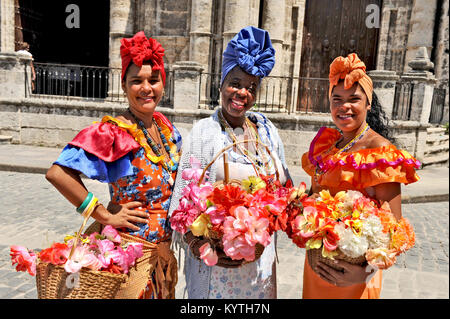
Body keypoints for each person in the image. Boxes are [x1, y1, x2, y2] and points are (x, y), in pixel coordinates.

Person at [45, 31, 181, 299]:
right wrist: (105, 216)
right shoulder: (114, 132)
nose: (146, 88)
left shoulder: (166, 128)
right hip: (130, 258)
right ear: (123, 86)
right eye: (136, 81)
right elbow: (57, 173)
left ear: (163, 83)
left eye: (153, 80)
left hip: (161, 259)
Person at [168, 26, 292, 299]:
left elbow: (284, 187)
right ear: (221, 84)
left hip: (258, 266)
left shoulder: (267, 130)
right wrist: (204, 248)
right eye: (235, 83)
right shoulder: (202, 133)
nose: (242, 93)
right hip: (216, 268)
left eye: (251, 87)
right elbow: (183, 205)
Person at [300, 53, 421, 299]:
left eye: (354, 99)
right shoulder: (328, 146)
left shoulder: (380, 152)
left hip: (353, 280)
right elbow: (315, 198)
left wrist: (365, 273)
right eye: (337, 99)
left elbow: (393, 230)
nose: (344, 106)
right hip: (318, 268)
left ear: (368, 104)